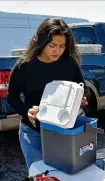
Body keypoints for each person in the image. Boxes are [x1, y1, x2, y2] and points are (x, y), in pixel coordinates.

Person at [7, 18, 89, 170]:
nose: (57, 51)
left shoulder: (69, 63)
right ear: (41, 42)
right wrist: (26, 111)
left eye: (62, 46)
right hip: (33, 133)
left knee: (61, 177)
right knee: (39, 180)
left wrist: (83, 99)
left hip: (63, 132)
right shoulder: (24, 66)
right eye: (52, 45)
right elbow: (11, 97)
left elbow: (83, 88)